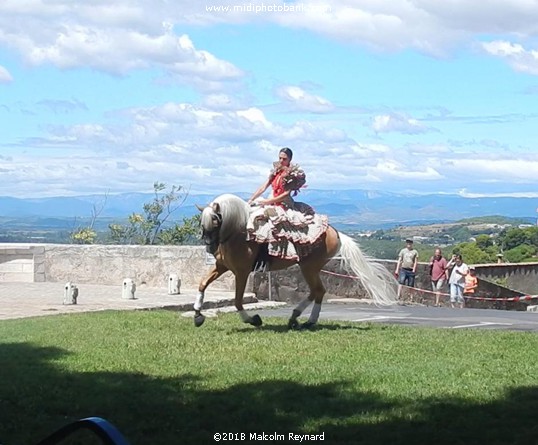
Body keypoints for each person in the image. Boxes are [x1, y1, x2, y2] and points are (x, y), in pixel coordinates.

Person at [246, 147, 327, 265]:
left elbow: (285, 194)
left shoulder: (291, 174)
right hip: (271, 200)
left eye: (284, 159)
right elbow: (264, 187)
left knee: (273, 224)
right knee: (253, 215)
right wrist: (252, 199)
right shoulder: (276, 171)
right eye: (279, 158)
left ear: (289, 159)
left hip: (284, 204)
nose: (281, 161)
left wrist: (268, 202)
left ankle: (271, 257)